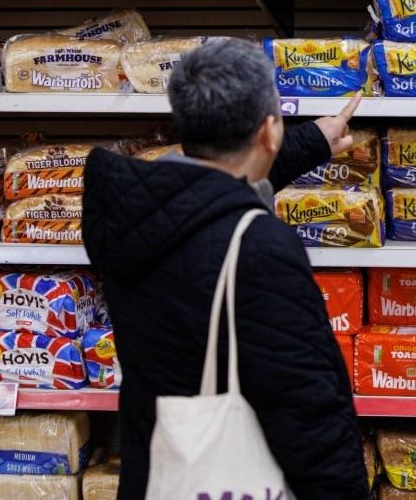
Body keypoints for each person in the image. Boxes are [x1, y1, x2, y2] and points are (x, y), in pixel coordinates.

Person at [83, 38, 368, 499]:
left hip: (158, 477)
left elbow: (205, 193)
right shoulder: (260, 247)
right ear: (269, 132)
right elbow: (310, 414)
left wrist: (310, 142)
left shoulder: (132, 219)